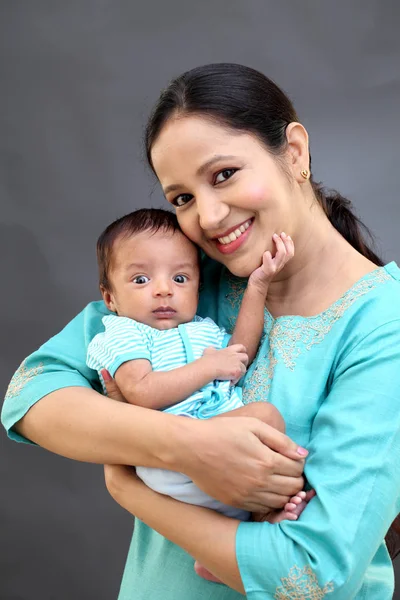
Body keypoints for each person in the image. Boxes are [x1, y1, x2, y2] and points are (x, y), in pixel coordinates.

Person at [2, 62, 400, 599]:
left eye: (223, 174)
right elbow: (31, 395)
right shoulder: (186, 283)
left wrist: (133, 490)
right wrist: (187, 447)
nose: (208, 218)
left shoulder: (384, 325)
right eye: (182, 198)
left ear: (296, 154)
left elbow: (313, 573)